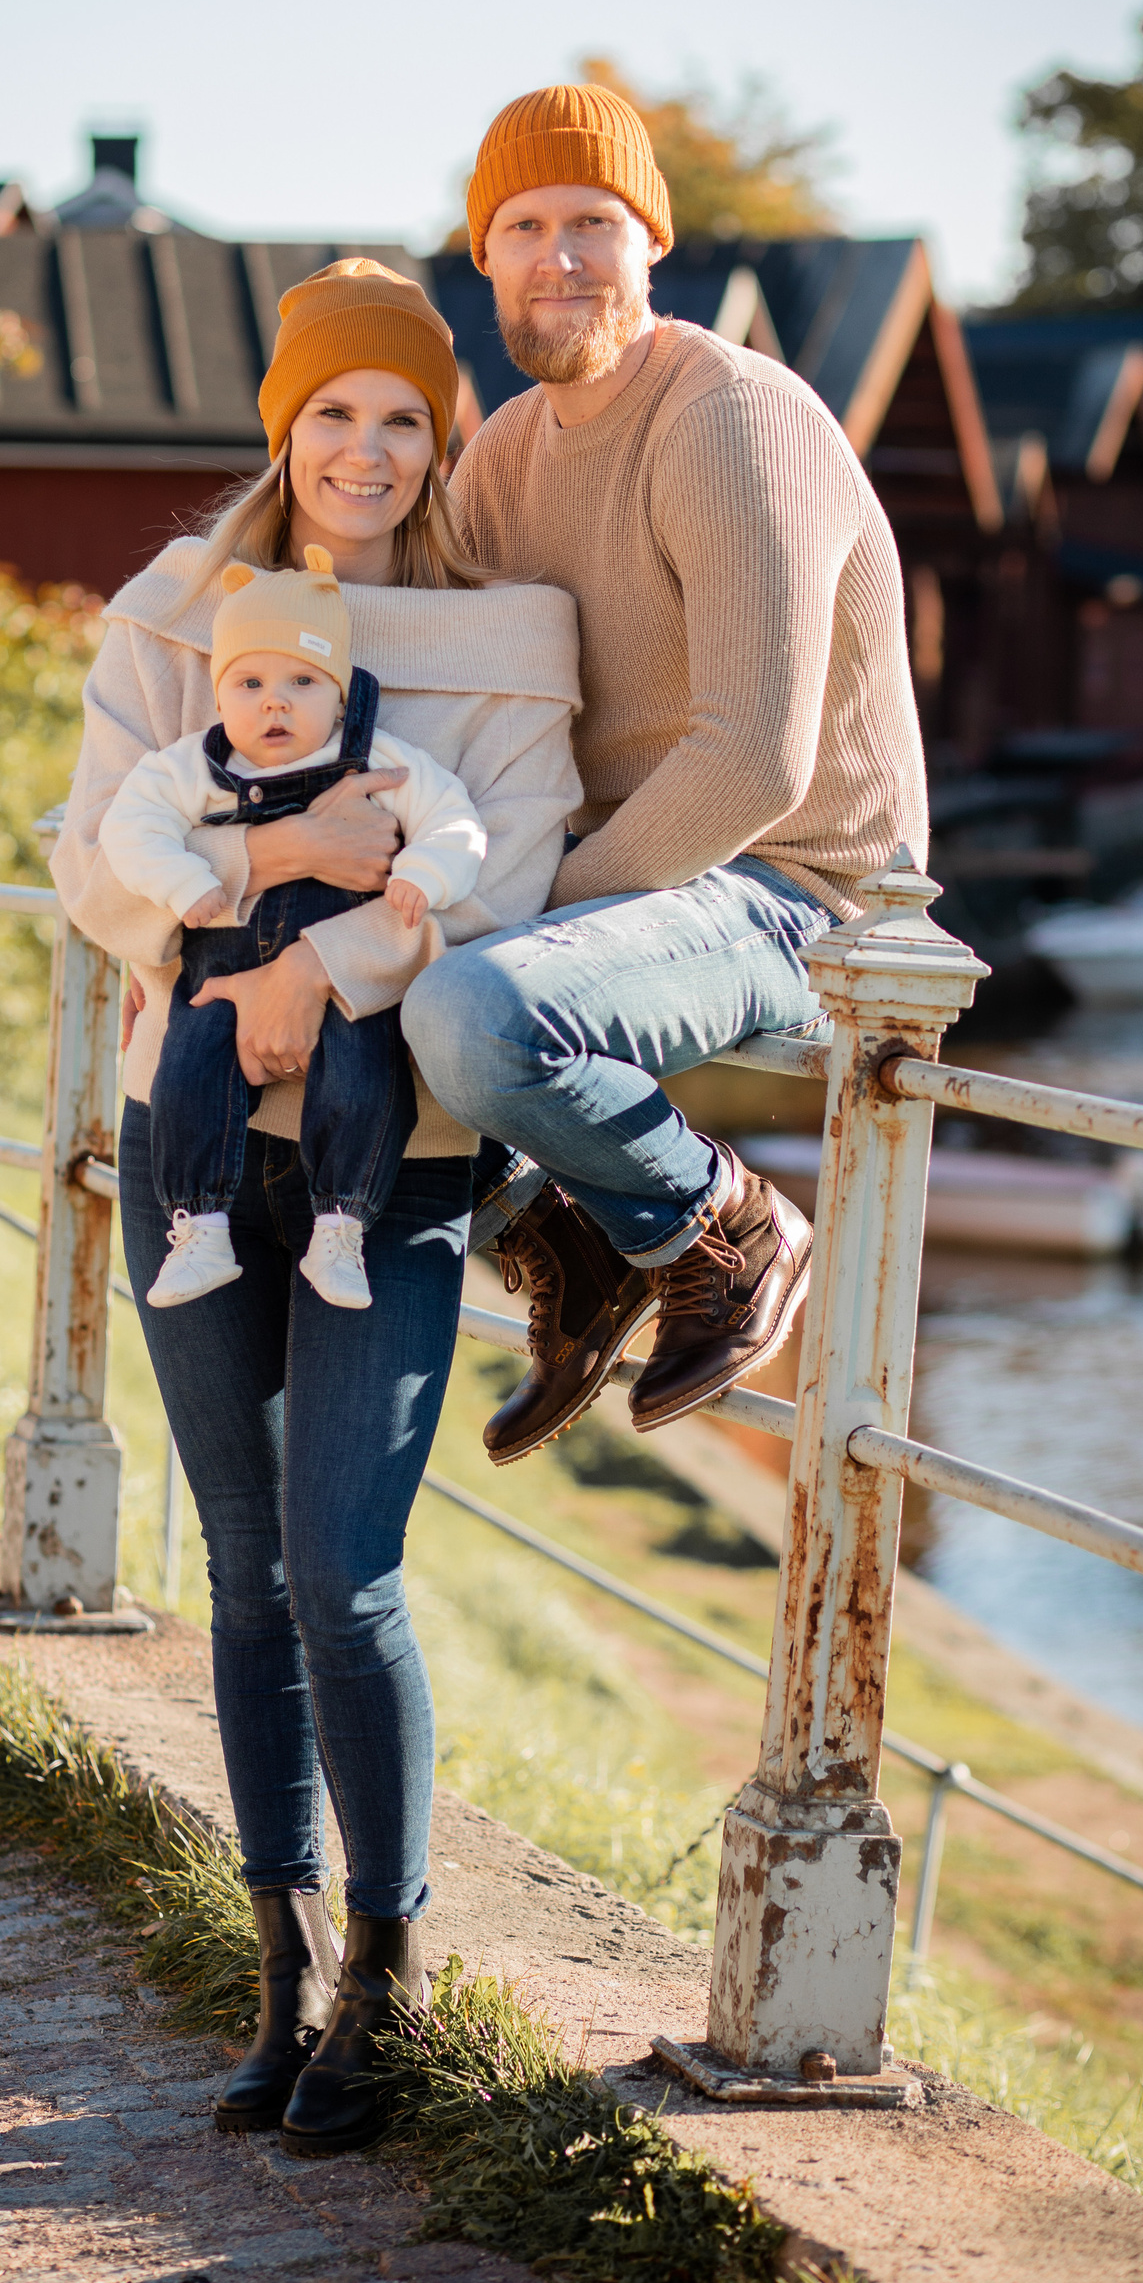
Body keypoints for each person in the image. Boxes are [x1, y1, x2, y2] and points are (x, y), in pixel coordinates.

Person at [50, 258, 580, 2157]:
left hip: (397, 1155)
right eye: (332, 413)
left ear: (443, 438)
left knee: (346, 1573)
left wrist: (304, 972)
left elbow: (514, 879)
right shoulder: (172, 614)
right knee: (245, 1569)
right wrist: (280, 852)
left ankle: (387, 1975)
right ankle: (275, 1970)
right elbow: (90, 868)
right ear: (284, 427)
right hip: (190, 1148)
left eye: (403, 418)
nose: (365, 450)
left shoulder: (512, 633)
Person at [403, 81, 928, 1463]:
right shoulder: (503, 457)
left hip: (805, 894)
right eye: (526, 227)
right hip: (650, 895)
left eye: (595, 221)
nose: (561, 258)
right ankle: (572, 1248)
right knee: (351, 962)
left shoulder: (730, 415)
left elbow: (754, 761)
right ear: (485, 257)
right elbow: (450, 706)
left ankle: (726, 1227)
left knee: (470, 1008)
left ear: (653, 241)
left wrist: (524, 906)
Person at [99, 545, 487, 1312]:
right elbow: (129, 828)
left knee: (365, 1076)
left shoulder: (376, 760)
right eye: (250, 684)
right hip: (221, 968)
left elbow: (454, 821)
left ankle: (341, 1228)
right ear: (221, 691)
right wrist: (183, 881)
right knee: (190, 1070)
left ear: (337, 692)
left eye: (301, 682)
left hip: (342, 980)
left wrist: (424, 873)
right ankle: (198, 1228)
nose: (274, 704)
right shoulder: (195, 767)